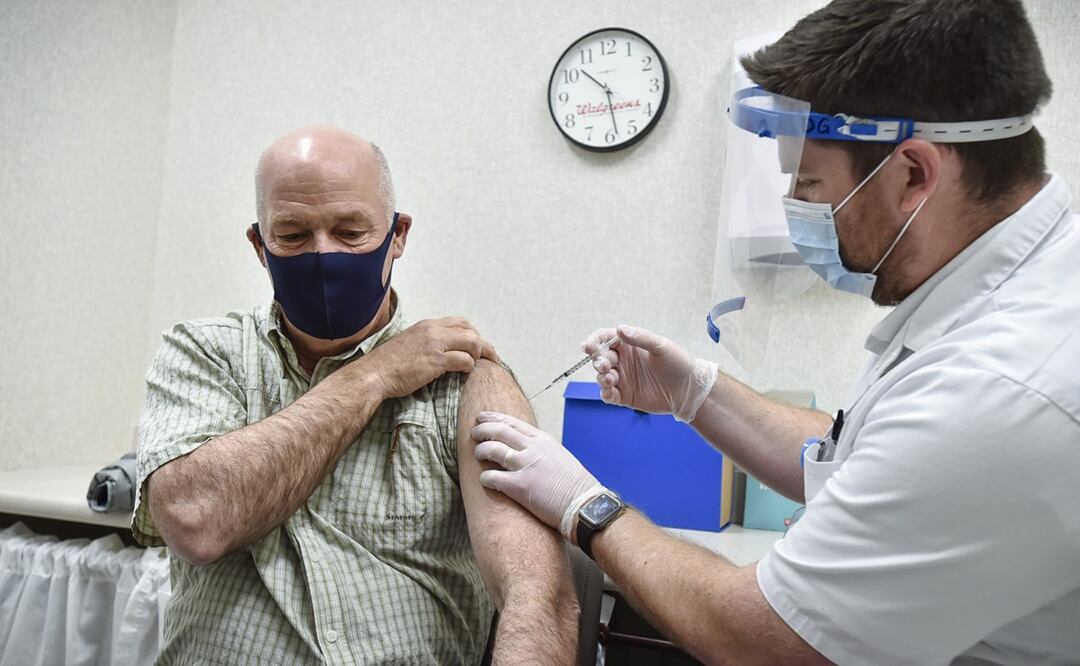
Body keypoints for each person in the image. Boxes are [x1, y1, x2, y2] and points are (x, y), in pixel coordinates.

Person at [471, 1, 1080, 664]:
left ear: (913, 174)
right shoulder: (1002, 287)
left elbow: (762, 640)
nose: (797, 202)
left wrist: (584, 506)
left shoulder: (1004, 386)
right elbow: (864, 458)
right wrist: (698, 394)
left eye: (811, 180)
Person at [133, 125, 578, 664]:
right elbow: (195, 520)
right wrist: (374, 376)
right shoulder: (205, 353)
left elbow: (536, 596)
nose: (323, 254)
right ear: (259, 245)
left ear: (397, 235)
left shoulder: (464, 377)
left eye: (350, 231)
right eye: (293, 235)